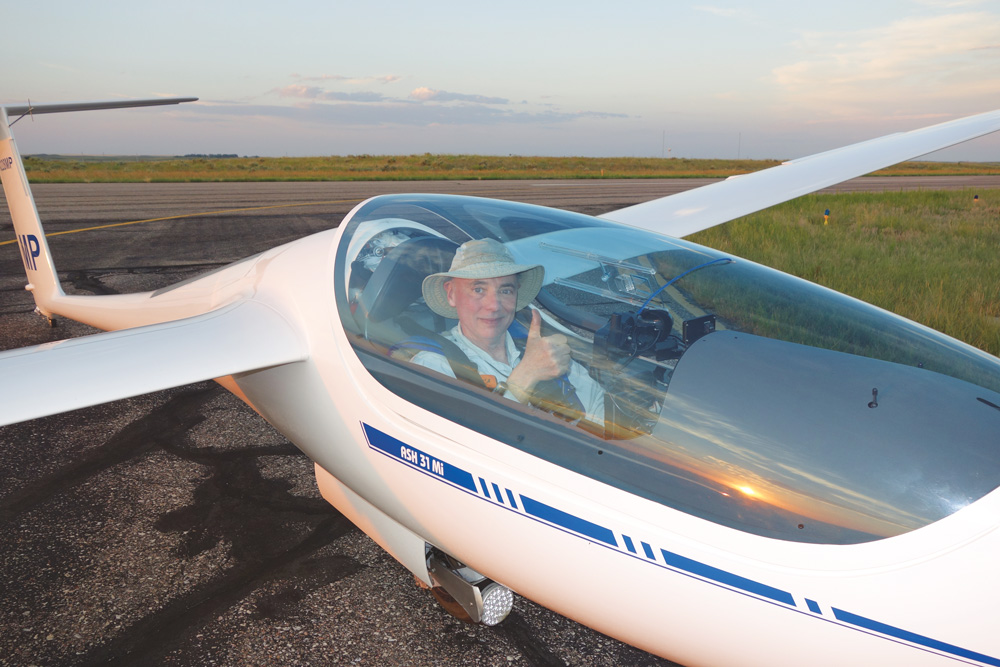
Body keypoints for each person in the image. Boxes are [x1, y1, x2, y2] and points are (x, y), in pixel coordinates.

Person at [410, 238, 604, 424]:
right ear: (451, 294)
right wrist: (527, 375)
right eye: (478, 289)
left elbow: (602, 412)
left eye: (505, 291)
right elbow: (468, 446)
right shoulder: (434, 366)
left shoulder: (539, 349)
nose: (494, 305)